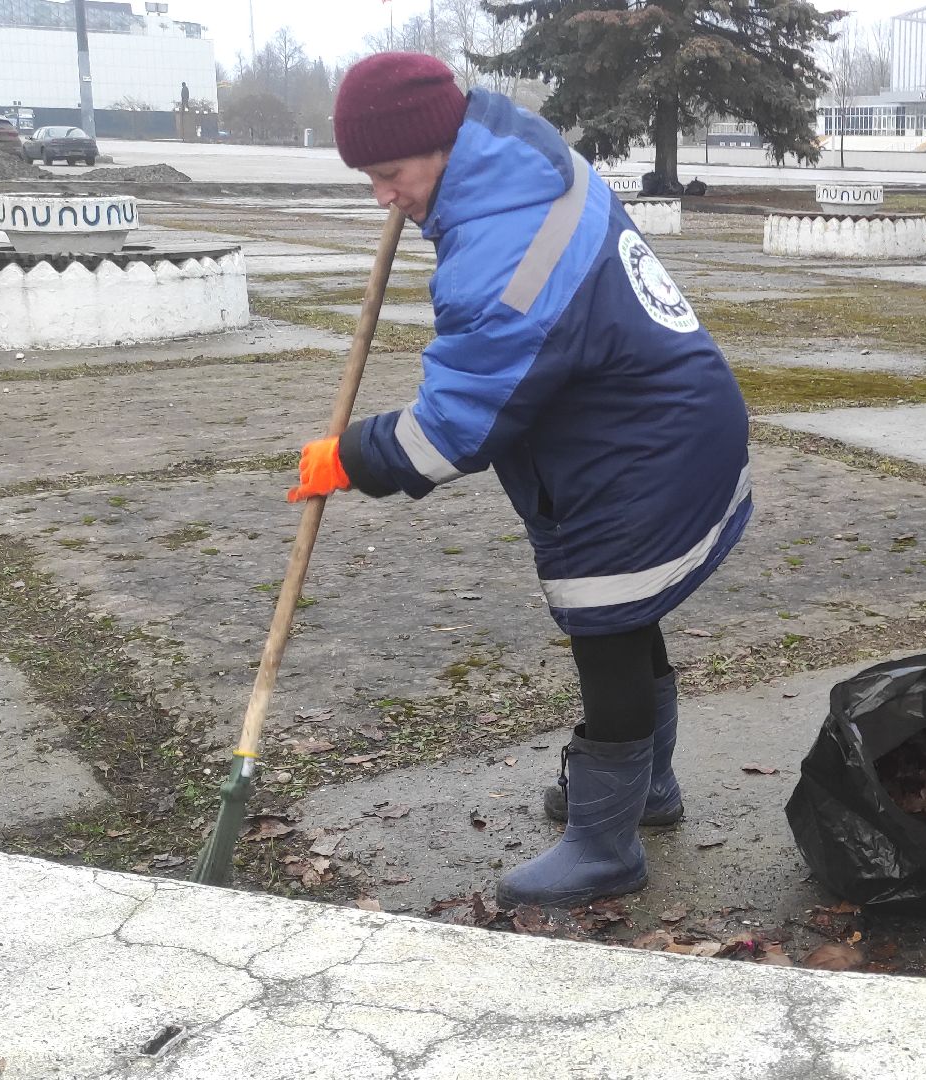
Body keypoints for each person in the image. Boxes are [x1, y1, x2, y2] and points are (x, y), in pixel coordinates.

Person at [284, 52, 753, 908]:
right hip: (657, 420)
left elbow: (458, 425)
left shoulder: (508, 243)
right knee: (628, 617)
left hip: (637, 451)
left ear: (439, 141)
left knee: (607, 625)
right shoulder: (505, 149)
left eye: (389, 175)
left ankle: (606, 847)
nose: (383, 197)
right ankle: (647, 790)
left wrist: (349, 458)